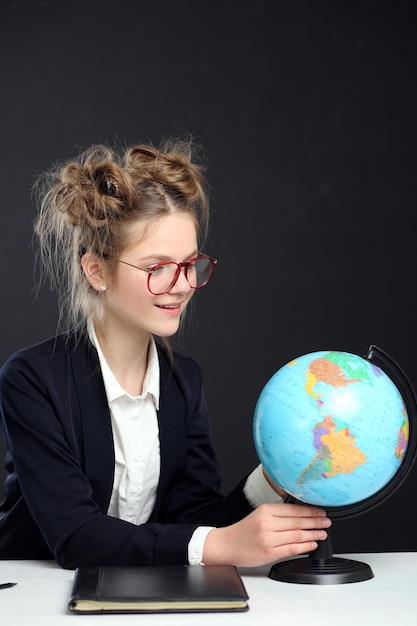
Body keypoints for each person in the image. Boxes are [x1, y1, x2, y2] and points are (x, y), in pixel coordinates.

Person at [0, 137, 331, 569]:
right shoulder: (32, 379)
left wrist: (271, 481)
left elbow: (193, 522)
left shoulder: (183, 381)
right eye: (158, 268)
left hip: (142, 593)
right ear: (97, 270)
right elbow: (76, 536)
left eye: (190, 264)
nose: (182, 285)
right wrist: (221, 546)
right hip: (30, 596)